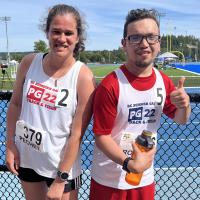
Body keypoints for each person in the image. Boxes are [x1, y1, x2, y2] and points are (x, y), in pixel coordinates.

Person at [90, 9, 191, 200]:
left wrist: (184, 105)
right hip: (109, 181)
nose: (144, 44)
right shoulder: (111, 85)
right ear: (124, 44)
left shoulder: (163, 81)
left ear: (159, 43)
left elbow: (181, 119)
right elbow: (101, 136)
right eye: (135, 37)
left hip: (144, 178)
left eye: (151, 37)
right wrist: (129, 163)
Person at [6, 4, 95, 200]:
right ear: (47, 32)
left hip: (61, 167)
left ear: (77, 37)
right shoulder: (29, 63)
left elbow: (77, 134)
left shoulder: (83, 77)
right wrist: (10, 145)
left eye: (68, 33)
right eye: (56, 31)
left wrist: (61, 179)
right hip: (28, 158)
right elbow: (15, 105)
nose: (61, 38)